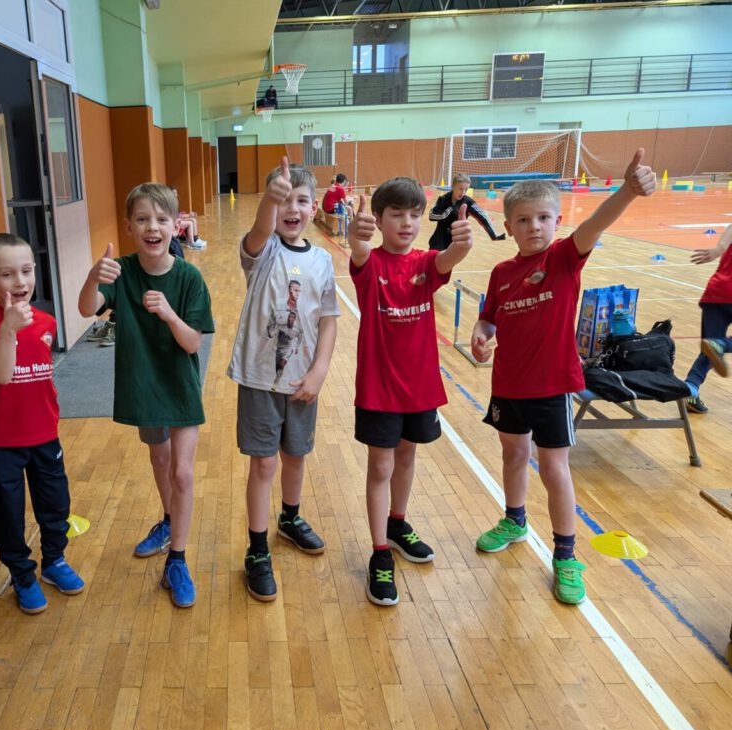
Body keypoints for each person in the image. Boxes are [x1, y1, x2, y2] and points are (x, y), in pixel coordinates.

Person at [469, 149, 655, 604]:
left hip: (552, 387)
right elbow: (490, 318)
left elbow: (596, 223)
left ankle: (566, 557)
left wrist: (627, 192)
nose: (534, 226)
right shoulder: (501, 273)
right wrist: (481, 333)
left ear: (556, 221)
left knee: (554, 469)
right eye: (524, 220)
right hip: (508, 385)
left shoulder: (564, 259)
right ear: (509, 226)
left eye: (543, 218)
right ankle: (514, 520)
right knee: (513, 456)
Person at [78, 183, 214, 607]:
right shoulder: (121, 271)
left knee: (183, 473)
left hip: (179, 387)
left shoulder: (189, 277)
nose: (152, 227)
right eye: (142, 219)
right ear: (129, 227)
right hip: (144, 386)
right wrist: (93, 276)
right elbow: (86, 309)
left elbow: (192, 342)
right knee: (160, 460)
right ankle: (169, 520)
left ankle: (177, 559)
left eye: (160, 219)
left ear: (177, 226)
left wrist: (169, 314)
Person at [346, 178, 473, 606]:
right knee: (380, 466)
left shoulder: (425, 262)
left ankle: (397, 523)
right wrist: (355, 236)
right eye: (397, 214)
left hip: (419, 388)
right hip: (379, 388)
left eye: (415, 215)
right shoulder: (371, 264)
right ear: (380, 220)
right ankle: (380, 552)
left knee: (406, 456)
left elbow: (449, 258)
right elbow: (359, 252)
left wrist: (462, 244)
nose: (407, 222)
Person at [227, 158, 339, 601]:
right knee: (264, 464)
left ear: (314, 208)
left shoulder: (323, 260)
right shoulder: (262, 250)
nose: (292, 208)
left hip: (301, 381)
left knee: (295, 455)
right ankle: (257, 550)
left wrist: (319, 370)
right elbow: (259, 230)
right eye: (284, 200)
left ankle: (290, 518)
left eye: (301, 201)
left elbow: (328, 320)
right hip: (259, 379)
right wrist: (268, 200)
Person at [0, 233, 84, 615]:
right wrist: (8, 329)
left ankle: (54, 560)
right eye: (7, 274)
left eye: (26, 271)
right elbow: (1, 375)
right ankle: (22, 574)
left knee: (55, 502)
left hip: (44, 433)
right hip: (1, 440)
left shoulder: (48, 321)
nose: (20, 282)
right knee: (8, 511)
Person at [684, 223, 732, 413]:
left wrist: (718, 250)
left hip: (716, 291)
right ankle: (722, 344)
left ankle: (691, 389)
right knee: (716, 346)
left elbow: (729, 233)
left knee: (710, 350)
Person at [428, 172, 505, 250]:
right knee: (434, 255)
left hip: (456, 241)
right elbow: (431, 215)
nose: (463, 193)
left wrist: (493, 235)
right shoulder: (443, 199)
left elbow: (483, 217)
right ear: (453, 186)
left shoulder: (468, 202)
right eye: (460, 189)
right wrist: (446, 212)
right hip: (439, 239)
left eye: (466, 189)